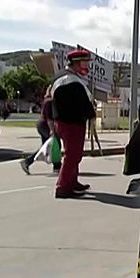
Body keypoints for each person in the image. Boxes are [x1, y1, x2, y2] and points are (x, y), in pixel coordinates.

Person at [51, 49, 96, 199]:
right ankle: (63, 187)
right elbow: (81, 102)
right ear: (77, 63)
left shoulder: (64, 77)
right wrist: (91, 114)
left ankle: (72, 181)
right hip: (71, 123)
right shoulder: (69, 81)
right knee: (72, 156)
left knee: (74, 155)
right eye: (85, 62)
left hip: (66, 122)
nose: (87, 66)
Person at [20, 85, 61, 175]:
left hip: (41, 124)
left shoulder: (46, 100)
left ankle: (27, 162)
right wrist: (52, 130)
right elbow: (49, 118)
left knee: (45, 146)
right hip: (45, 125)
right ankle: (57, 166)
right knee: (56, 143)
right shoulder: (50, 101)